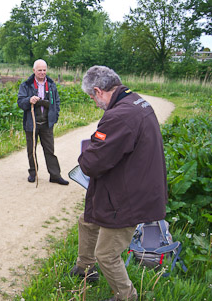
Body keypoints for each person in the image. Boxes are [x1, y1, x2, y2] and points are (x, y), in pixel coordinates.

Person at [70, 66, 167, 301]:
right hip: (132, 183)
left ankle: (126, 296)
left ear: (98, 91)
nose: (94, 103)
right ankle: (85, 268)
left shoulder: (119, 116)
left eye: (91, 98)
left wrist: (86, 154)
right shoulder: (135, 101)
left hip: (128, 197)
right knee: (88, 220)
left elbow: (92, 163)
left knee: (107, 254)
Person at [17, 59, 69, 185]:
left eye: (44, 70)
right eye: (39, 70)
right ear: (34, 70)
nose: (42, 72)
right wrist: (29, 100)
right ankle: (33, 173)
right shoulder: (26, 85)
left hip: (47, 123)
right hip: (32, 123)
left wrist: (54, 117)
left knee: (50, 150)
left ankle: (55, 175)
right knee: (31, 150)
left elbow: (56, 102)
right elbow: (20, 102)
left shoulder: (51, 84)